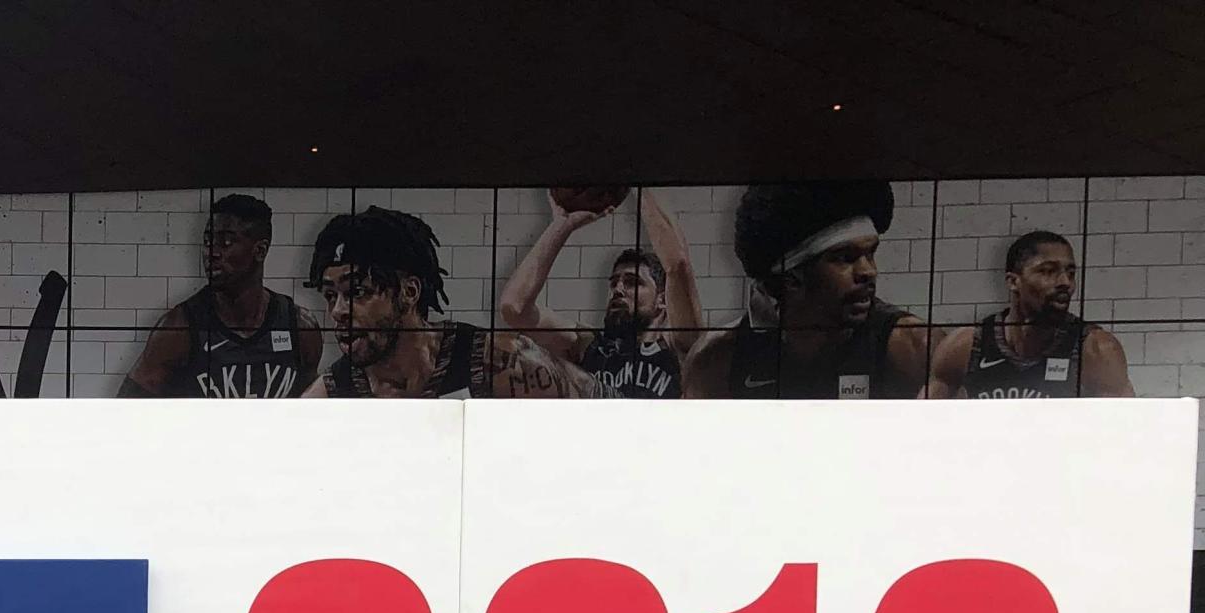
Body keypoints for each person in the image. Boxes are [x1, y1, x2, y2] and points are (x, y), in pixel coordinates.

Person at [300, 205, 596, 399]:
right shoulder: (331, 394)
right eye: (329, 295)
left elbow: (602, 411)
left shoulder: (497, 363)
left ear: (409, 292)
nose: (338, 311)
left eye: (357, 292)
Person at [684, 180, 930, 400]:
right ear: (791, 278)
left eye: (870, 253)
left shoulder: (909, 347)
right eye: (845, 258)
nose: (868, 271)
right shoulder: (718, 359)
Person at [495, 188, 704, 399]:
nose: (618, 290)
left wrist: (639, 180)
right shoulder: (588, 345)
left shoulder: (678, 349)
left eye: (632, 282)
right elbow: (514, 309)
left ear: (662, 300)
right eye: (614, 283)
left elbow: (677, 264)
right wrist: (562, 224)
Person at [118, 193, 322, 399]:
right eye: (208, 241)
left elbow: (312, 412)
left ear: (260, 250)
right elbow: (125, 411)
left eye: (225, 242)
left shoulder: (299, 326)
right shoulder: (178, 330)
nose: (211, 252)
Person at [928, 230, 1132, 398]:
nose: (1065, 282)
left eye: (1070, 273)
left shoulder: (1095, 349)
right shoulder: (965, 346)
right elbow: (922, 422)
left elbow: (1127, 432)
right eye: (1048, 271)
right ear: (1013, 281)